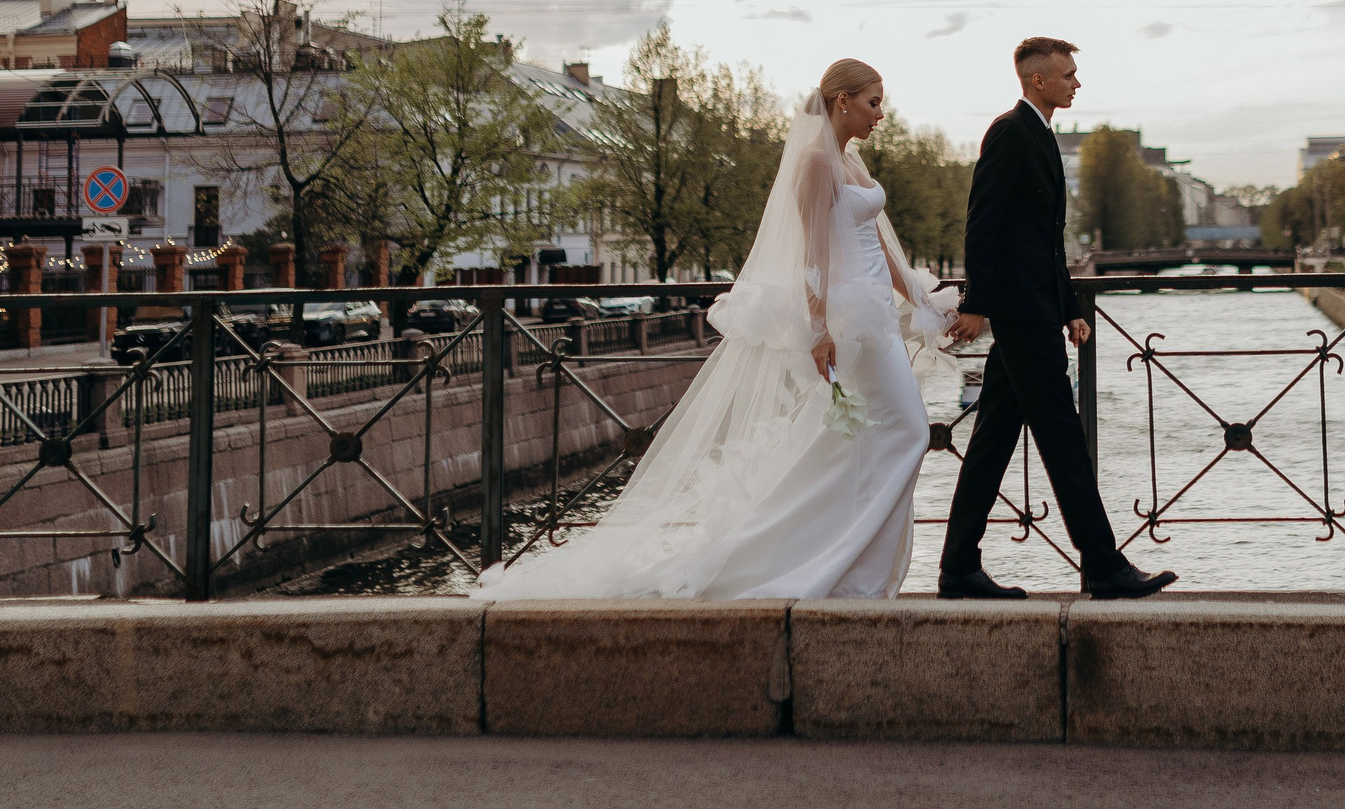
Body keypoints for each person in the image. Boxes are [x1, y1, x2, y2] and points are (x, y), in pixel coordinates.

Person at [472, 58, 958, 601]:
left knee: (848, 442)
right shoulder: (817, 163)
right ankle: (842, 569)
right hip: (853, 324)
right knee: (909, 432)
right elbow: (813, 256)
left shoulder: (852, 163)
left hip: (875, 320)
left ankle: (838, 564)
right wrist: (820, 329)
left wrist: (919, 296)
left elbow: (877, 246)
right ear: (842, 100)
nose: (880, 113)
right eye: (873, 102)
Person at [938, 36, 1176, 601]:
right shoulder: (1009, 132)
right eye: (1069, 74)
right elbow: (983, 224)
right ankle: (1103, 565)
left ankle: (957, 568)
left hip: (1037, 311)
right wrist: (976, 303)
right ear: (1037, 80)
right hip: (1019, 316)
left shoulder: (1039, 136)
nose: (1077, 82)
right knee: (1064, 439)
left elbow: (1044, 240)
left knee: (993, 440)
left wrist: (1069, 308)